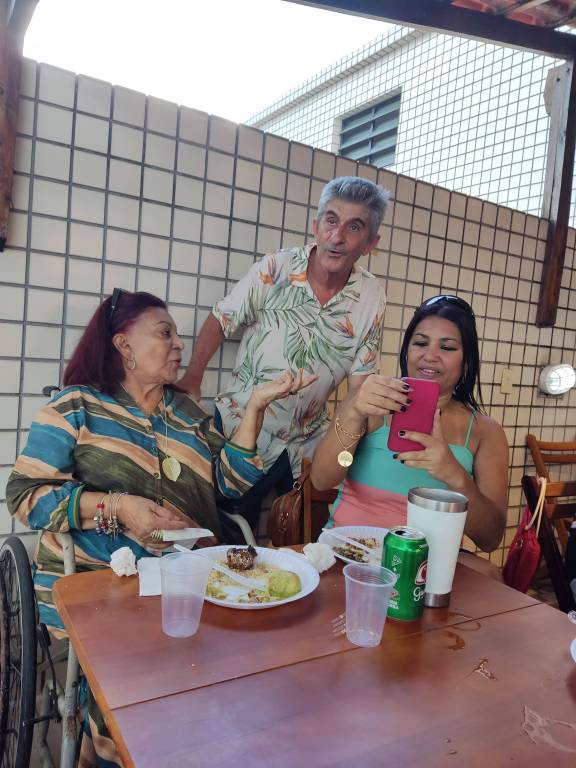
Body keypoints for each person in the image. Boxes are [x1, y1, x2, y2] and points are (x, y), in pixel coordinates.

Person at [6, 289, 312, 766]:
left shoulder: (188, 414)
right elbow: (25, 494)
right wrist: (120, 507)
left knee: (240, 676)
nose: (179, 345)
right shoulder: (76, 407)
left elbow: (229, 486)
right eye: (165, 333)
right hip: (98, 583)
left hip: (188, 580)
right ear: (123, 344)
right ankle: (105, 749)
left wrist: (254, 408)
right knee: (136, 693)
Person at [178, 176, 389, 527]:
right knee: (232, 536)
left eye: (354, 227)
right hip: (242, 430)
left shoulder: (372, 297)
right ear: (316, 226)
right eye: (331, 220)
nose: (337, 237)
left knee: (307, 540)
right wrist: (192, 377)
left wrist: (362, 450)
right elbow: (221, 319)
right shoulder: (275, 268)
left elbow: (360, 386)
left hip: (307, 443)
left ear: (371, 243)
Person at [311, 295, 509, 556]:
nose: (430, 356)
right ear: (407, 351)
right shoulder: (370, 402)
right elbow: (322, 480)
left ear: (467, 361)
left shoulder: (486, 432)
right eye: (420, 343)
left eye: (447, 347)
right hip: (347, 555)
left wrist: (453, 474)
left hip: (427, 569)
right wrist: (353, 412)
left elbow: (490, 538)